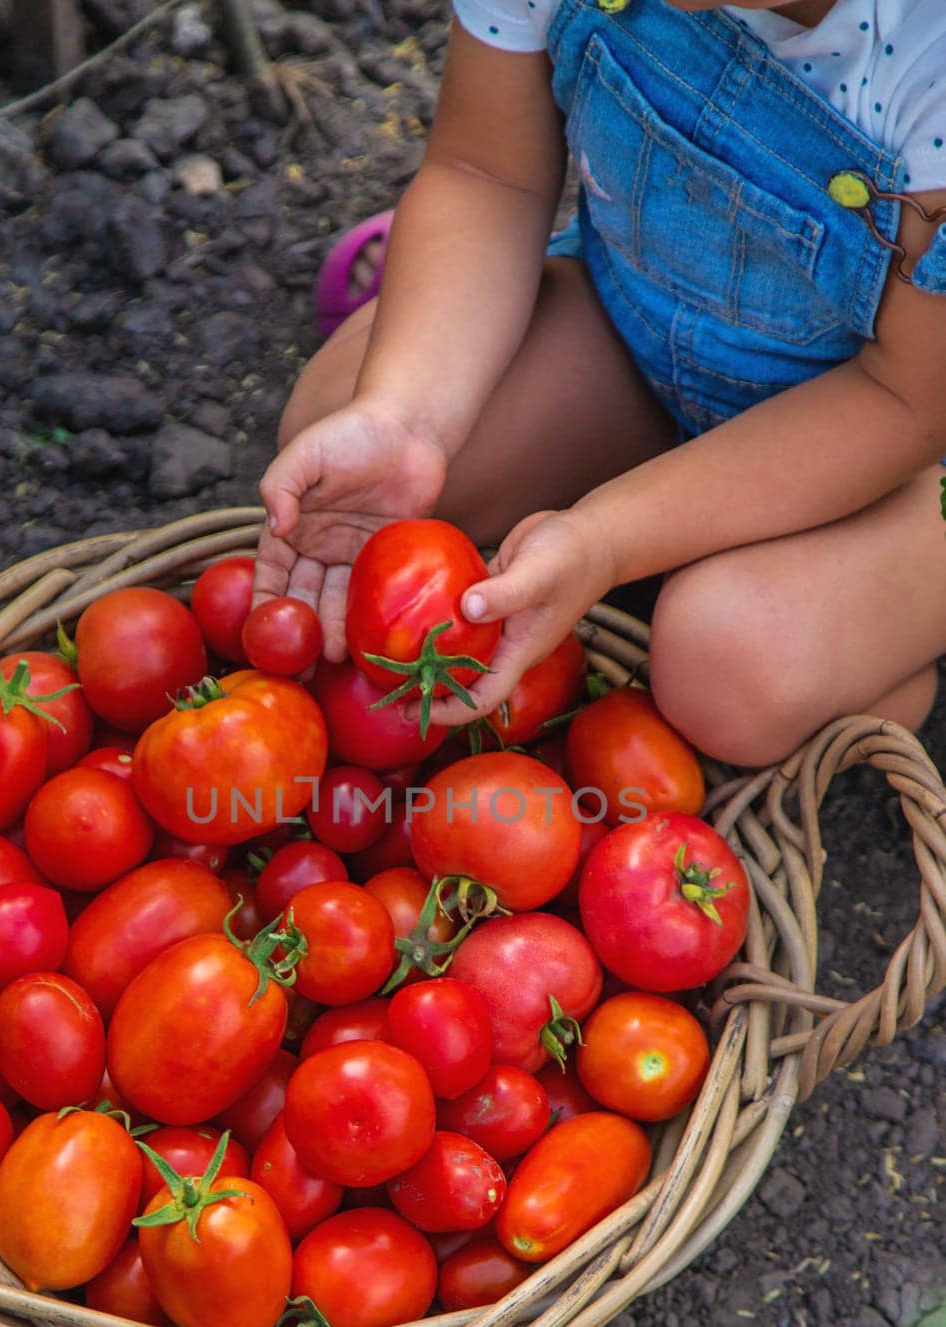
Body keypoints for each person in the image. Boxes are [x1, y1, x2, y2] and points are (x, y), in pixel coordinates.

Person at [254, 0, 946, 767]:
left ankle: (885, 658)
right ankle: (657, 517)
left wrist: (605, 538)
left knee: (728, 669)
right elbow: (485, 174)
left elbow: (906, 400)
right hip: (634, 326)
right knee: (351, 444)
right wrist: (406, 415)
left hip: (901, 447)